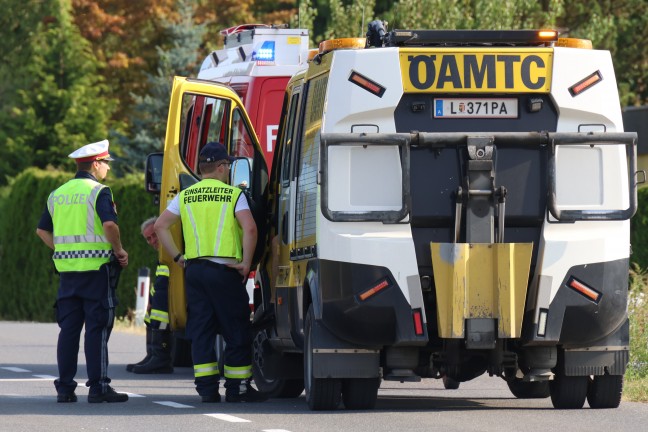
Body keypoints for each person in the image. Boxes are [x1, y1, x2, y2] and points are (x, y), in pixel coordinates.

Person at [154, 141, 266, 403]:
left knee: (201, 330)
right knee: (235, 327)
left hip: (195, 270)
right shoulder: (232, 195)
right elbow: (250, 229)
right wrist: (247, 262)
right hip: (225, 270)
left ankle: (206, 390)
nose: (227, 169)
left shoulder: (185, 195)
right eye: (226, 165)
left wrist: (179, 257)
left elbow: (160, 226)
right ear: (219, 167)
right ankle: (237, 389)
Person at [35, 139, 129, 404]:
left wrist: (62, 250)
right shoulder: (99, 192)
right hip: (96, 271)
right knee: (97, 330)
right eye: (106, 164)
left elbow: (42, 230)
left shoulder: (58, 194)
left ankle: (65, 388)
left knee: (69, 331)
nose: (108, 170)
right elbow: (110, 226)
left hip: (68, 274)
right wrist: (119, 251)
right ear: (96, 164)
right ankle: (98, 387)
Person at [127, 217, 173, 374]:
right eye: (148, 238)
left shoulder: (171, 249)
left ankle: (161, 358)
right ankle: (153, 355)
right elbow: (160, 286)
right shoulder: (163, 253)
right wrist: (150, 301)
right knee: (150, 314)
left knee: (159, 314)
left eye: (154, 235)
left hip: (175, 297)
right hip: (165, 295)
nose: (153, 240)